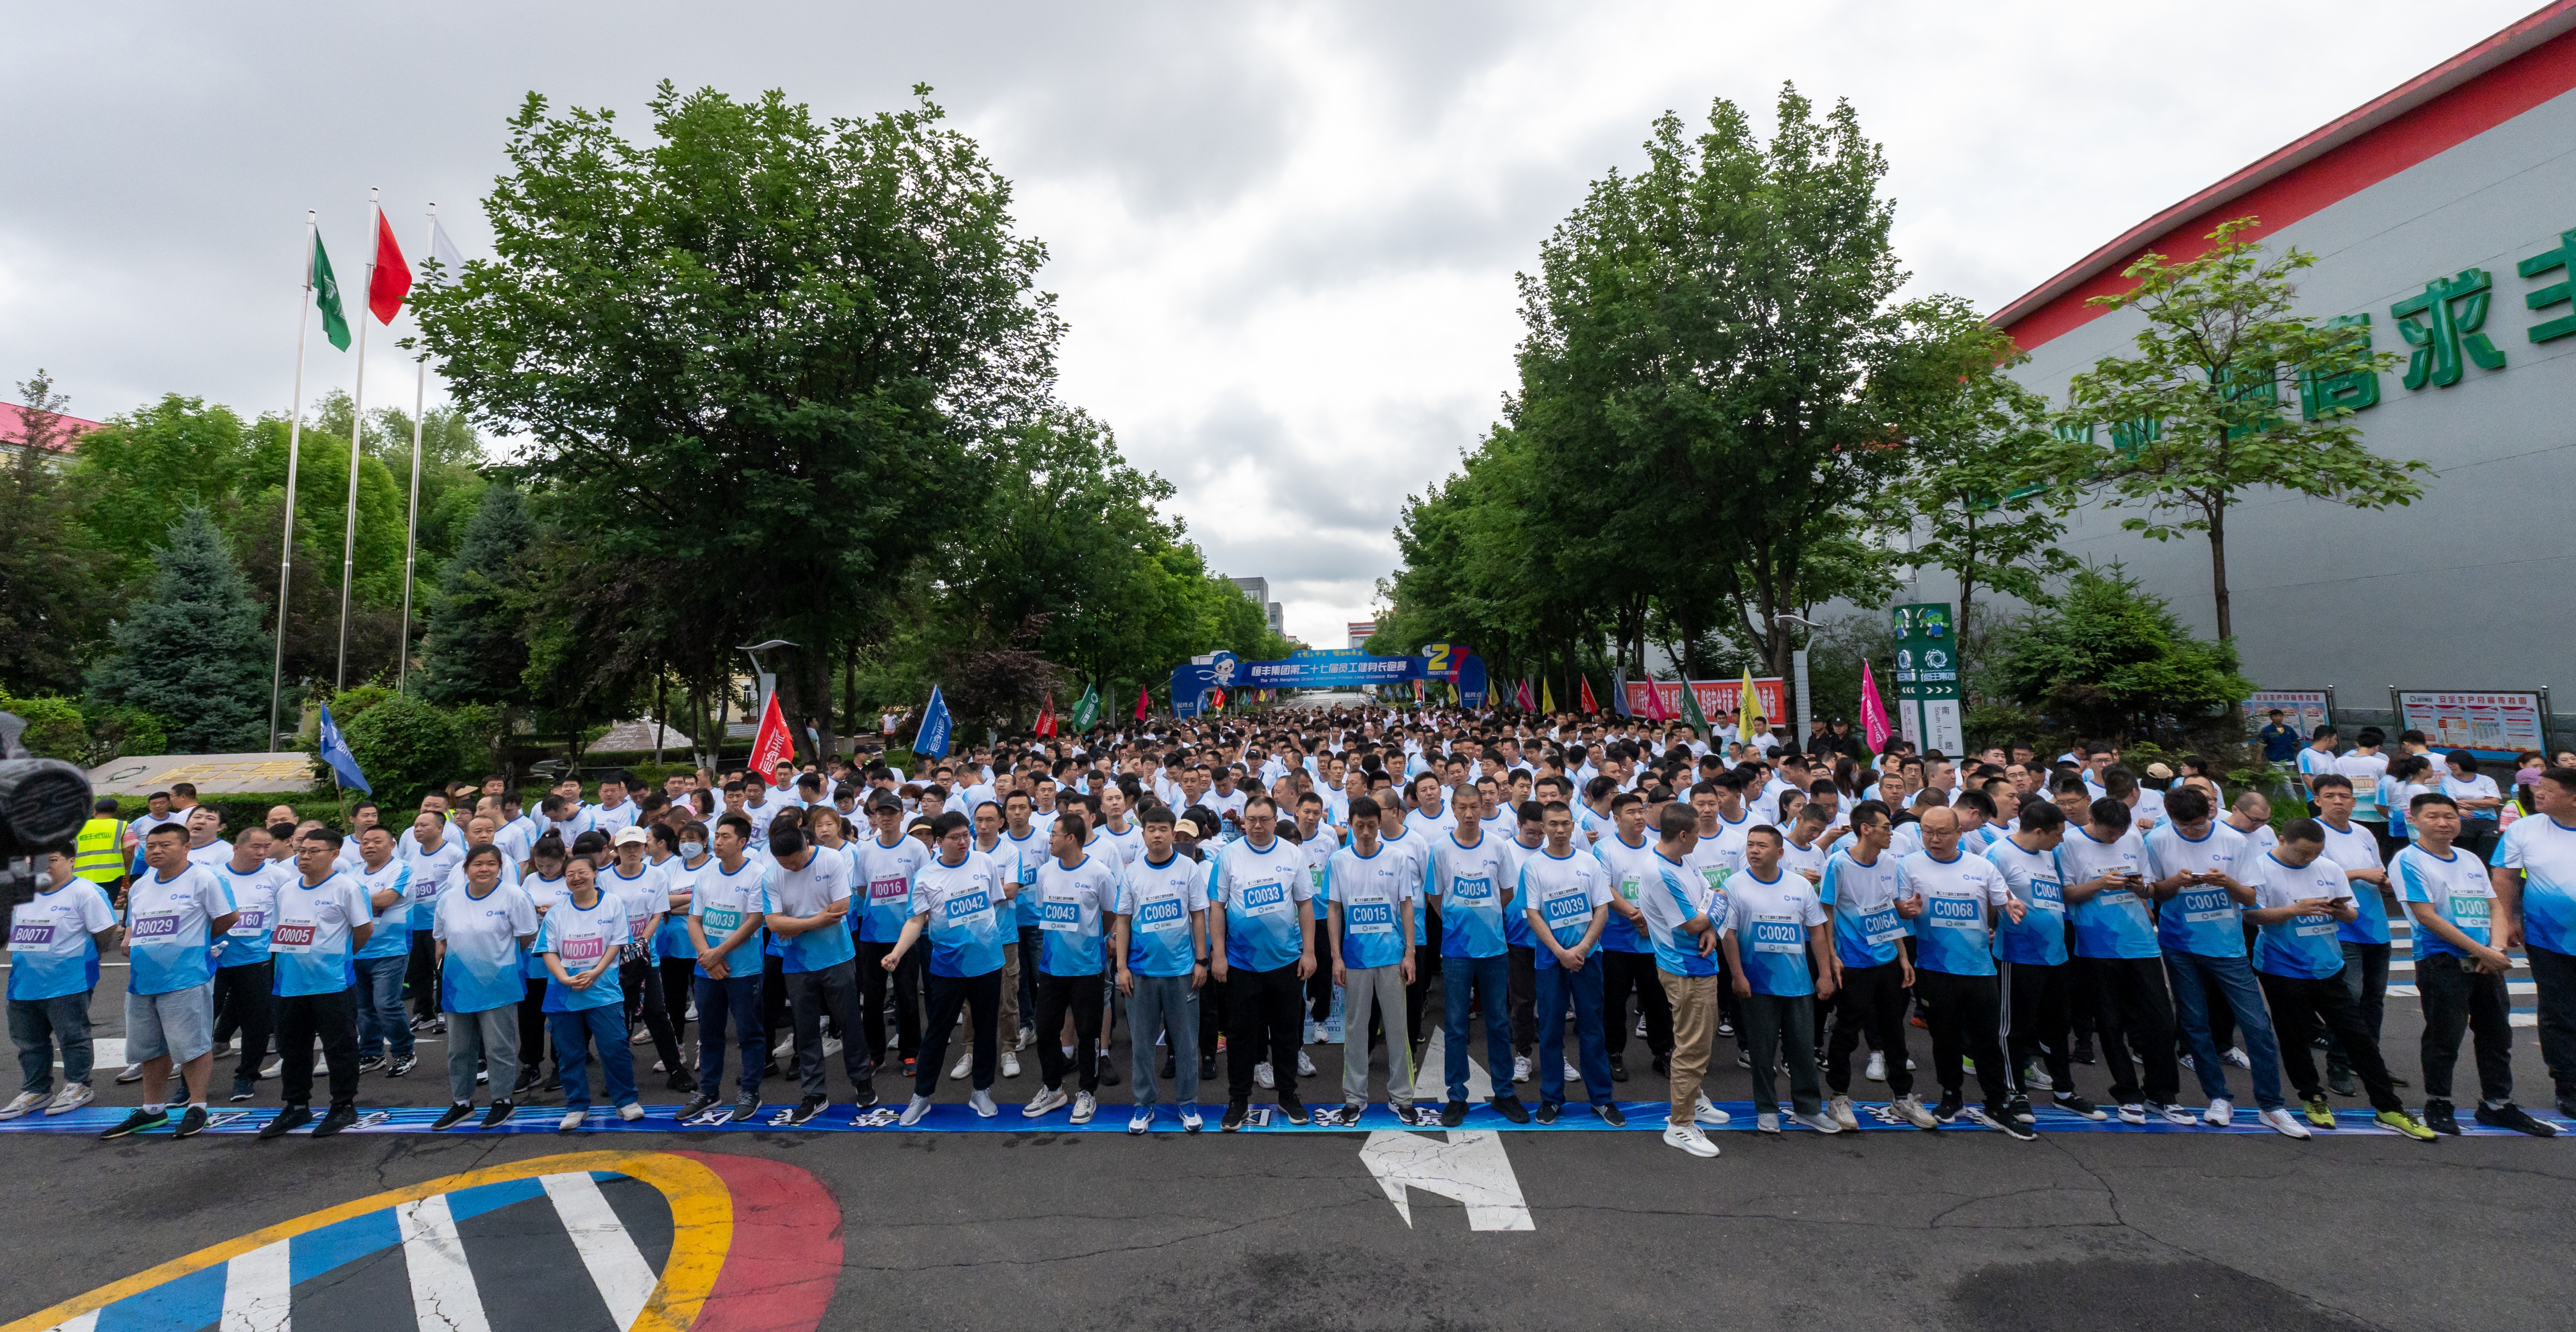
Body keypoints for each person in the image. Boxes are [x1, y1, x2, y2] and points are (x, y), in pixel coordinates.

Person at [2244, 822, 2434, 1140]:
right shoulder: (2260, 868)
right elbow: (2252, 916)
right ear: (2282, 840)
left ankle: (2389, 1108)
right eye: (2303, 853)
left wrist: (2339, 911)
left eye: (2315, 853)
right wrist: (2294, 910)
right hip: (2281, 967)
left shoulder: (2329, 868)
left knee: (2357, 1035)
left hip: (2329, 966)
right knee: (2294, 1038)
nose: (2309, 859)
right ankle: (2312, 1097)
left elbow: (2352, 915)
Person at [2144, 787, 2299, 1135]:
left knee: (2257, 1026)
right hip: (2179, 945)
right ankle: (2218, 1097)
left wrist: (2226, 881)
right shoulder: (2157, 840)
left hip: (2228, 947)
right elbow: (2155, 892)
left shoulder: (2233, 840)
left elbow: (2250, 896)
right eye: (2183, 826)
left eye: (2198, 825)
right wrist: (2175, 882)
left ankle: (2271, 1105)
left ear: (2211, 813)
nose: (2191, 832)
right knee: (2195, 1025)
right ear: (2170, 817)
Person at [2399, 791, 2554, 1135]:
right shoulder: (2409, 860)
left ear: (2460, 820)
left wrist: (2496, 948)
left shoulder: (2469, 859)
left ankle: (2498, 1104)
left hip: (2486, 961)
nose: (2443, 823)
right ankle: (2439, 1102)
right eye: (2432, 817)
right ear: (2414, 820)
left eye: (2449, 816)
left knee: (2497, 1034)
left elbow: (2495, 905)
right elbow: (2426, 916)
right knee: (2445, 1035)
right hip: (2441, 960)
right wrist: (2482, 952)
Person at [1900, 807, 2035, 1139]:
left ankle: (1996, 1103)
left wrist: (2011, 906)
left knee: (1986, 1040)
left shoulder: (1981, 866)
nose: (1934, 839)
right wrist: (1904, 910)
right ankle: (1951, 1096)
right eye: (1927, 831)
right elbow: (1900, 909)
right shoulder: (1910, 865)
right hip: (1934, 968)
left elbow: (2005, 899)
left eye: (1943, 832)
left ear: (1959, 832)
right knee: (1944, 1038)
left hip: (1978, 968)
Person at [2058, 798, 2190, 1125]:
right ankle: (2128, 1094)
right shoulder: (2070, 843)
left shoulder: (2133, 837)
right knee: (2110, 1022)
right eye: (2109, 832)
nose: (2116, 837)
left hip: (2141, 941)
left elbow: (2148, 888)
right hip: (2096, 945)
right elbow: (2067, 894)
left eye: (2120, 831)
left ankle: (2163, 1095)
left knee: (2160, 1020)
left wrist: (2140, 887)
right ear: (2092, 819)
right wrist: (2102, 884)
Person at [886, 811, 1016, 1126]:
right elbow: (917, 920)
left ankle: (981, 1091)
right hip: (947, 968)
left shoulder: (984, 863)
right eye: (955, 838)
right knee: (937, 1033)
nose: (963, 842)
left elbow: (995, 904)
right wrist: (898, 952)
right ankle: (922, 1097)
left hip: (987, 964)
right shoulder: (927, 876)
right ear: (938, 842)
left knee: (986, 1030)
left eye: (965, 836)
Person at [1819, 801, 1937, 1130]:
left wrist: (1902, 956)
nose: (1891, 833)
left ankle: (1903, 1098)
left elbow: (1888, 909)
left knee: (1894, 1032)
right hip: (1854, 962)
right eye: (1886, 827)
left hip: (1888, 959)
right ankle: (1839, 1097)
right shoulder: (1839, 864)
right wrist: (1832, 958)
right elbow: (1826, 911)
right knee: (1847, 1031)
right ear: (1866, 829)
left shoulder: (1889, 862)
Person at [1719, 826, 1840, 1136]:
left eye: (1762, 845)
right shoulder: (1734, 886)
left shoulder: (1800, 886)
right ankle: (1767, 1109)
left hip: (1798, 984)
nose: (1754, 850)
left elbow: (1816, 931)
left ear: (1780, 852)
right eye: (1750, 845)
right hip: (1757, 985)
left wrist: (1825, 975)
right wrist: (1737, 976)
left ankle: (1809, 1109)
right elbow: (1729, 935)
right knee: (1761, 1052)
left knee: (1802, 1050)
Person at [1208, 795, 1318, 1130]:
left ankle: (1288, 1096)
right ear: (1243, 821)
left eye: (1264, 819)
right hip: (1241, 965)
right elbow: (1216, 908)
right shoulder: (1228, 856)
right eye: (1251, 819)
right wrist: (1219, 955)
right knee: (1242, 1035)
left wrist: (1310, 952)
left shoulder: (1292, 854)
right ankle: (1238, 1100)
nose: (1258, 826)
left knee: (1286, 1034)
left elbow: (1305, 906)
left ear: (1276, 820)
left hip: (1285, 962)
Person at [259, 828, 375, 1139]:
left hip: (332, 983)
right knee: (293, 1048)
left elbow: (363, 930)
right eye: (302, 850)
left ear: (335, 854)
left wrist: (338, 958)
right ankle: (296, 1106)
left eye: (314, 851)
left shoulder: (347, 888)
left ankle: (343, 1106)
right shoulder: (286, 890)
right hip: (289, 985)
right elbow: (277, 932)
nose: (305, 856)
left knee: (340, 1047)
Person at [762, 820, 875, 1123]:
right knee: (805, 1028)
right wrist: (816, 921)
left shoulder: (831, 859)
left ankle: (863, 1082)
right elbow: (774, 924)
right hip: (796, 964)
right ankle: (814, 1094)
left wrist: (795, 925)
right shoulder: (773, 875)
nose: (791, 868)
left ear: (805, 847)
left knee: (849, 1022)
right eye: (785, 864)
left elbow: (841, 908)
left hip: (837, 957)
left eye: (795, 862)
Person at [1427, 785, 1527, 1125]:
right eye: (1463, 807)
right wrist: (1459, 923)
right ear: (1452, 809)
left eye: (1475, 807)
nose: (1470, 814)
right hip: (1456, 951)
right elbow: (1435, 897)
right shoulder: (1440, 849)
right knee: (1456, 1025)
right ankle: (1457, 1095)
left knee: (1498, 1022)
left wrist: (1485, 921)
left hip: (1495, 949)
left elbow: (1507, 892)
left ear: (1483, 808)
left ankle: (1505, 1093)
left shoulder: (1498, 845)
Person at [1518, 800, 1619, 1124]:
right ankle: (1551, 1098)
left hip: (1588, 959)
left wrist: (1583, 949)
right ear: (1544, 827)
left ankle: (1602, 1099)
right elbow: (1533, 914)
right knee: (1549, 1030)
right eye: (1553, 824)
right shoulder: (1533, 866)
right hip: (1550, 961)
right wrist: (1562, 953)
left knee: (1592, 1029)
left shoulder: (1589, 863)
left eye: (1565, 823)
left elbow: (1601, 909)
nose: (1560, 830)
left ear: (1573, 826)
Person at [1114, 804, 1211, 1134]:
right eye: (1151, 829)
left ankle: (1187, 1102)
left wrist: (1201, 960)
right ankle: (1144, 1105)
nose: (1157, 834)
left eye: (1163, 829)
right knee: (1141, 1044)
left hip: (1182, 971)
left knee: (1185, 1042)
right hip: (1140, 972)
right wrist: (1122, 967)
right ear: (1143, 834)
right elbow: (1123, 922)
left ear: (1173, 833)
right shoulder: (1132, 873)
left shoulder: (1188, 869)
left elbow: (1198, 915)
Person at [1637, 803, 1726, 1158]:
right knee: (1691, 1047)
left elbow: (1713, 896)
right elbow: (1692, 923)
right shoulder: (1660, 872)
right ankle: (1681, 1124)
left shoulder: (1683, 859)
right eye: (1698, 831)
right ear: (1684, 834)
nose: (1702, 837)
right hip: (1685, 968)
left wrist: (1713, 927)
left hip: (1702, 961)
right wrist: (1709, 920)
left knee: (1700, 1041)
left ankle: (1694, 1099)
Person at [2, 851, 116, 1120]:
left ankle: (79, 1085)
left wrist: (90, 958)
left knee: (73, 1037)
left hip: (69, 981)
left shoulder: (86, 892)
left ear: (71, 861)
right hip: (24, 982)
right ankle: (37, 1089)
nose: (45, 867)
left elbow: (105, 932)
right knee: (28, 1042)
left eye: (52, 860)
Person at [2489, 765, 2576, 1121]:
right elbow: (2505, 877)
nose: (2538, 793)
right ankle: (2569, 1086)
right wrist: (2508, 920)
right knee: (2559, 1013)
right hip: (2548, 940)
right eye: (2538, 787)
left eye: (2548, 789)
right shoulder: (2523, 829)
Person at [429, 846, 537, 1130]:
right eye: (478, 864)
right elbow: (440, 939)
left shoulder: (514, 896)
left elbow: (526, 935)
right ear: (466, 868)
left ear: (500, 867)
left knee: (498, 1047)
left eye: (492, 864)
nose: (485, 869)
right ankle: (462, 1103)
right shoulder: (449, 899)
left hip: (499, 984)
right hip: (458, 986)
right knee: (459, 1050)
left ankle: (503, 1101)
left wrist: (500, 962)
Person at [535, 853, 643, 1130]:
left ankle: (626, 1101)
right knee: (569, 1053)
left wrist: (595, 972)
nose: (576, 878)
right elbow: (548, 951)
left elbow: (617, 944)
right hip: (564, 994)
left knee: (614, 1047)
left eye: (582, 872)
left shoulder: (613, 904)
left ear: (595, 873)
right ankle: (576, 1106)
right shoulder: (557, 912)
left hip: (603, 990)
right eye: (570, 874)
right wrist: (565, 979)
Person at [2310, 775, 2400, 1099]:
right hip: (2340, 927)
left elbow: (2376, 871)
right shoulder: (2313, 832)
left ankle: (2367, 1061)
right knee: (2349, 999)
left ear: (2354, 801)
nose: (2339, 801)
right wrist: (2362, 874)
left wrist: (2383, 882)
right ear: (2317, 799)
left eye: (2345, 796)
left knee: (2374, 1000)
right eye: (2330, 796)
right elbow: (2311, 875)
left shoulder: (2363, 832)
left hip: (2375, 925)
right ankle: (2337, 1064)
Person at [1024, 811, 1116, 1123]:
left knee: (1088, 1033)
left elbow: (1109, 914)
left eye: (1054, 835)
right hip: (1051, 968)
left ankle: (1087, 1093)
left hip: (1087, 968)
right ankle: (1053, 1089)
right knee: (1046, 1029)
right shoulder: (1046, 872)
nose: (1049, 840)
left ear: (1071, 838)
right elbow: (1043, 910)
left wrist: (1094, 942)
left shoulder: (1100, 873)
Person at [1327, 796, 1415, 1119]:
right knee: (1356, 1030)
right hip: (1355, 959)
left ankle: (1402, 1097)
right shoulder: (1338, 861)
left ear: (1380, 825)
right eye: (1359, 826)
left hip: (1391, 956)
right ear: (1350, 825)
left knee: (1397, 1029)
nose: (1365, 832)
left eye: (1372, 826)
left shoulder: (1397, 858)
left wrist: (1411, 953)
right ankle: (1355, 1097)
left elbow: (1406, 905)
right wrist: (1336, 957)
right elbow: (1334, 908)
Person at [681, 813, 772, 1123]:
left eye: (725, 837)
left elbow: (755, 921)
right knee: (709, 1033)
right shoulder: (706, 875)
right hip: (708, 969)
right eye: (717, 836)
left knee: (749, 1033)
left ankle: (750, 1092)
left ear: (743, 842)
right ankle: (708, 1092)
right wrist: (708, 955)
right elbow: (695, 919)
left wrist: (718, 953)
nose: (718, 841)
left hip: (743, 970)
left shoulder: (758, 874)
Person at [604, 828, 691, 1094]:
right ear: (617, 850)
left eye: (638, 846)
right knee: (619, 1016)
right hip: (613, 959)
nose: (632, 851)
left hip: (646, 958)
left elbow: (658, 912)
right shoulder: (605, 878)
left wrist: (642, 942)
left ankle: (676, 1070)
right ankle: (618, 1075)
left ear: (645, 848)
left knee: (656, 1013)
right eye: (627, 846)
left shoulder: (657, 875)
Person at [1593, 792, 1673, 1083]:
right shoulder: (1604, 849)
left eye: (1641, 811)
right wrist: (1635, 916)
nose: (1639, 817)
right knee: (1614, 1002)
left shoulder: (1657, 848)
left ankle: (1663, 1053)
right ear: (1616, 819)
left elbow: (1665, 887)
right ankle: (1613, 1054)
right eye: (1631, 812)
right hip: (1616, 941)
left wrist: (1648, 920)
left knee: (1658, 1000)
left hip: (1654, 941)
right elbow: (1604, 886)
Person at [852, 794, 929, 1079]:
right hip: (872, 935)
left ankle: (910, 1053)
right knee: (871, 1000)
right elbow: (862, 890)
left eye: (892, 813)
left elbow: (925, 888)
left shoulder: (916, 848)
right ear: (874, 815)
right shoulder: (866, 851)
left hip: (906, 936)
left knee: (907, 997)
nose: (886, 818)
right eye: (880, 813)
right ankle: (875, 1055)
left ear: (901, 816)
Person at [209, 827, 283, 1104]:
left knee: (257, 1022)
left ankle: (246, 1077)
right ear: (236, 848)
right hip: (215, 960)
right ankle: (189, 1083)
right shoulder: (213, 876)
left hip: (256, 960)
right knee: (204, 1020)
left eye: (267, 847)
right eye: (255, 847)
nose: (262, 853)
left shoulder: (278, 876)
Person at [402, 810, 466, 1030]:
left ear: (440, 828)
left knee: (441, 969)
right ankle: (423, 1012)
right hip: (414, 922)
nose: (418, 829)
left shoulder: (455, 854)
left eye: (424, 825)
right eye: (416, 825)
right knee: (417, 971)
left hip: (439, 925)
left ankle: (443, 1012)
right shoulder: (410, 856)